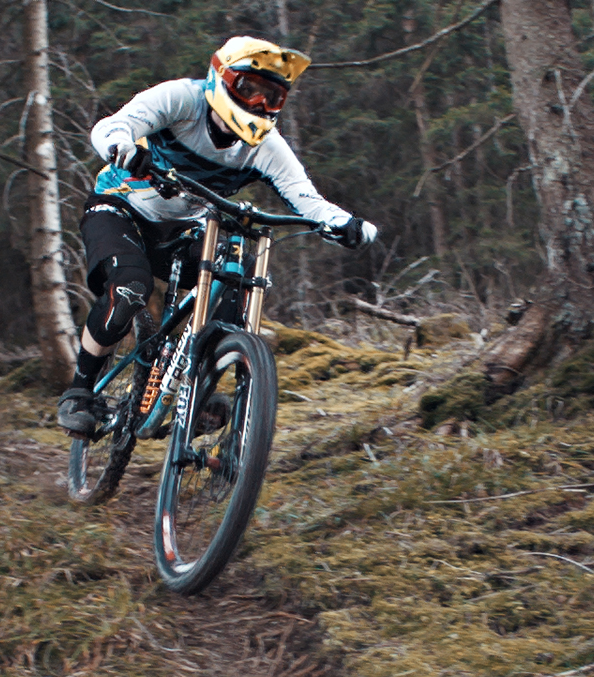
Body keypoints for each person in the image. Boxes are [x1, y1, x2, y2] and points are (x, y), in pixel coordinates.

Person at [57, 36, 378, 437]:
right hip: (120, 207)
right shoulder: (182, 100)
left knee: (235, 277)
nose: (257, 105)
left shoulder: (265, 147)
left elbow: (307, 201)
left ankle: (197, 386)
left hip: (183, 227)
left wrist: (346, 224)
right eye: (249, 90)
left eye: (271, 98)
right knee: (130, 288)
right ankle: (80, 392)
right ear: (221, 79)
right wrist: (122, 147)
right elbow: (112, 126)